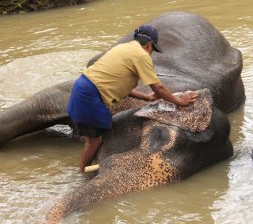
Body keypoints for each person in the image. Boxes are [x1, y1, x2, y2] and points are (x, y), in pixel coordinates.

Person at [67, 25, 198, 170]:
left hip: (82, 87)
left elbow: (118, 83)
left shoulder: (123, 48)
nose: (151, 52)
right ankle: (83, 170)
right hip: (90, 95)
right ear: (149, 44)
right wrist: (179, 101)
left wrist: (146, 98)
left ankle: (89, 165)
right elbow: (158, 87)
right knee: (94, 140)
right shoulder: (141, 55)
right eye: (153, 49)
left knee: (97, 133)